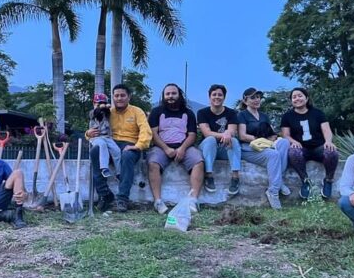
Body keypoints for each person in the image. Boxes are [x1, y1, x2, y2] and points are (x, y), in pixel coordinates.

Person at [85, 84, 152, 213]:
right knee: (95, 151)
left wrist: (138, 146)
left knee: (127, 156)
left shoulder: (137, 111)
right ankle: (105, 195)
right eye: (116, 96)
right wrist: (88, 133)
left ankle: (122, 199)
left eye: (122, 95)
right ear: (113, 97)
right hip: (110, 143)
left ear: (129, 97)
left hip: (130, 144)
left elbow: (146, 130)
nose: (119, 98)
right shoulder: (107, 111)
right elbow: (95, 126)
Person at [147, 83, 205, 214]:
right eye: (167, 94)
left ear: (179, 95)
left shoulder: (188, 113)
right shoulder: (157, 112)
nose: (170, 96)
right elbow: (153, 134)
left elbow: (192, 135)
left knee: (198, 161)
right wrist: (166, 148)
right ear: (163, 96)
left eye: (173, 93)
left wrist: (182, 148)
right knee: (153, 163)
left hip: (184, 146)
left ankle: (193, 200)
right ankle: (158, 201)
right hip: (161, 147)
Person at [280, 87, 339, 199]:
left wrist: (328, 141)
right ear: (291, 101)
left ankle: (328, 180)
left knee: (332, 152)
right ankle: (305, 181)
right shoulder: (287, 116)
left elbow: (326, 130)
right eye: (294, 97)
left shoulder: (318, 113)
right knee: (293, 152)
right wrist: (293, 142)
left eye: (300, 95)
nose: (297, 98)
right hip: (302, 149)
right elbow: (285, 135)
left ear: (306, 98)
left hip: (318, 147)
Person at [237, 87, 290, 210]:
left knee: (284, 143)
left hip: (265, 145)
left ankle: (278, 180)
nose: (256, 100)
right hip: (248, 148)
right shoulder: (242, 115)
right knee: (273, 155)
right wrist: (260, 139)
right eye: (253, 97)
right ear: (245, 101)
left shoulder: (264, 116)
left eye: (258, 97)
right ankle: (273, 191)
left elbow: (272, 133)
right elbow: (242, 136)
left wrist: (271, 138)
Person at [197, 84, 241, 195]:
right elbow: (206, 133)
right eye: (214, 94)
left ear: (224, 97)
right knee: (211, 139)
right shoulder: (202, 113)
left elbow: (232, 130)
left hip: (223, 149)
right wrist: (224, 134)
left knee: (234, 141)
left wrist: (228, 133)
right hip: (207, 148)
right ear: (209, 97)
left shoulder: (231, 113)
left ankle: (235, 177)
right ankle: (209, 175)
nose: (217, 97)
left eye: (220, 95)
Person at [88, 93, 121, 178]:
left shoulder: (107, 113)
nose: (101, 105)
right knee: (102, 145)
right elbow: (95, 113)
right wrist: (99, 107)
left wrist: (106, 107)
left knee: (116, 150)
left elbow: (109, 111)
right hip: (96, 137)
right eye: (98, 103)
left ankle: (119, 172)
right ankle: (104, 168)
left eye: (103, 103)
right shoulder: (93, 113)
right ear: (94, 104)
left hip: (107, 136)